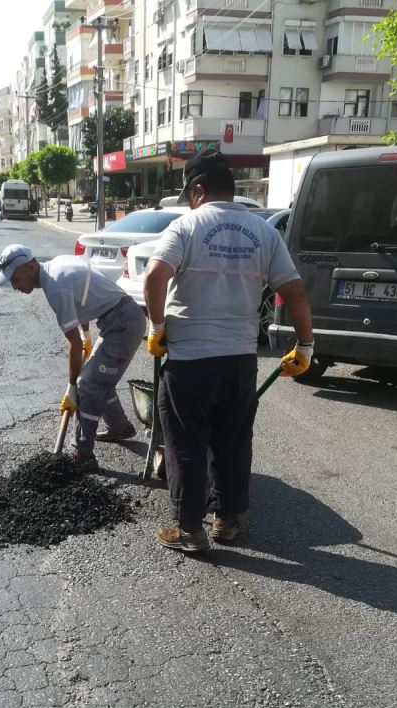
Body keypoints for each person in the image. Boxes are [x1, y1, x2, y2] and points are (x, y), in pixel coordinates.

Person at [143, 148, 314, 554]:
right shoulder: (265, 232)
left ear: (198, 190)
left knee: (186, 441)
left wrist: (157, 327)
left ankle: (189, 529)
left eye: (188, 192)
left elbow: (154, 277)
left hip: (190, 362)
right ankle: (226, 520)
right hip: (239, 361)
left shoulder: (187, 226)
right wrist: (305, 346)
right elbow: (294, 290)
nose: (188, 199)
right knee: (233, 440)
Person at [0, 244, 145, 472]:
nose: (14, 286)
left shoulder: (56, 288)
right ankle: (120, 427)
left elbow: (73, 345)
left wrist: (72, 387)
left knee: (88, 385)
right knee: (98, 376)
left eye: (15, 279)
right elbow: (81, 298)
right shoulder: (55, 266)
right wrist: (86, 335)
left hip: (123, 325)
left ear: (30, 267)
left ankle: (82, 454)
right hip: (120, 318)